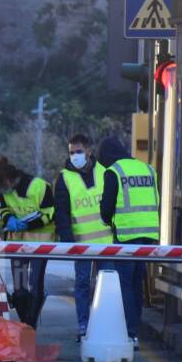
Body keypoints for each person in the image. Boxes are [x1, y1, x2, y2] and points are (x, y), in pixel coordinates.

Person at [97, 135, 160, 348]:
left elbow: (106, 206)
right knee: (136, 282)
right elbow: (156, 200)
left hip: (126, 235)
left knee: (125, 283)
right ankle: (135, 331)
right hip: (148, 235)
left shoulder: (114, 172)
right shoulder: (147, 169)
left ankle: (130, 332)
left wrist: (108, 220)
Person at [54, 133, 113, 340]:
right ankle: (84, 327)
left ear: (89, 151)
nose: (75, 156)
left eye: (78, 151)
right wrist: (67, 240)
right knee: (82, 286)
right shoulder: (64, 178)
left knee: (106, 287)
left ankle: (104, 326)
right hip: (81, 244)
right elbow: (61, 213)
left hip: (107, 243)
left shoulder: (105, 172)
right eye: (71, 152)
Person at [0, 156, 55, 328]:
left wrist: (28, 224)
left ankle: (30, 325)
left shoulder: (39, 186)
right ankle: (24, 324)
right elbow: (3, 209)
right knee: (20, 289)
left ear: (9, 180)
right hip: (17, 245)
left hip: (40, 242)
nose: (2, 191)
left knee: (35, 286)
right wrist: (8, 219)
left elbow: (50, 214)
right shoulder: (5, 191)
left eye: (2, 186)